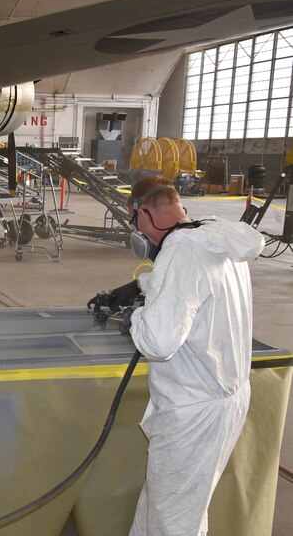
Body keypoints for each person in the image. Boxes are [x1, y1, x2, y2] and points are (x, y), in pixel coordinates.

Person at [93, 175, 264, 536]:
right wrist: (139, 285)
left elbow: (159, 342)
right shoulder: (214, 235)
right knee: (164, 507)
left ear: (144, 215)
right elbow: (197, 287)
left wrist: (136, 317)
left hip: (193, 414)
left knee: (174, 522)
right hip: (225, 396)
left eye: (135, 221)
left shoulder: (179, 252)